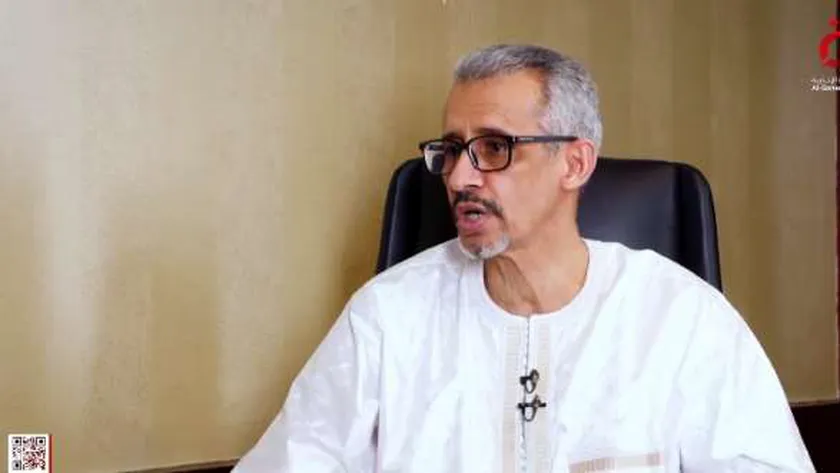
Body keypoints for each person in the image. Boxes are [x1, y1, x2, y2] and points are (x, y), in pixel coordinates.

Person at [233, 44, 814, 472]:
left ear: (575, 164)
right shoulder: (387, 317)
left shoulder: (682, 318)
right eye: (452, 150)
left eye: (494, 147)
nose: (459, 177)